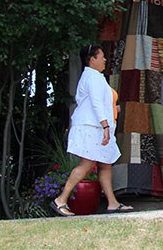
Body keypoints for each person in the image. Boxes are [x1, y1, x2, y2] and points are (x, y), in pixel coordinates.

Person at [51, 44, 133, 216]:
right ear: (92, 59)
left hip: (97, 127)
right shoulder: (92, 77)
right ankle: (61, 200)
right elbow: (95, 103)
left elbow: (98, 103)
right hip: (92, 127)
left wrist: (112, 112)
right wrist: (105, 126)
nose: (104, 59)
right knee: (87, 165)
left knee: (105, 164)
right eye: (101, 56)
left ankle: (112, 203)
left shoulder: (95, 77)